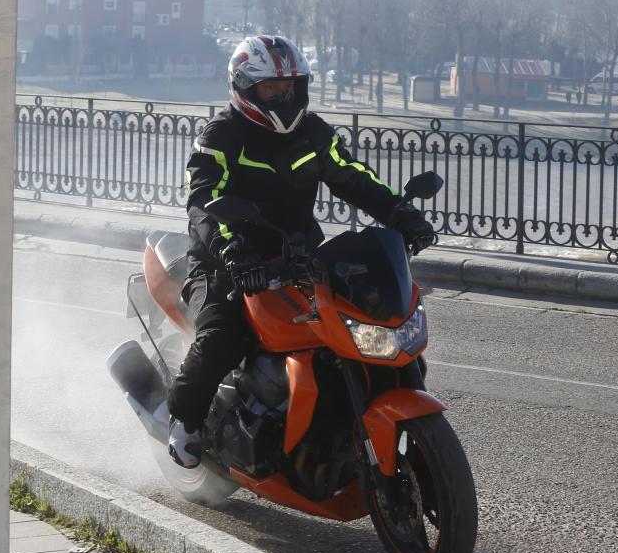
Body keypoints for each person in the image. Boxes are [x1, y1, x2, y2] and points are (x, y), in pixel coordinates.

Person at [167, 35, 436, 468]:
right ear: (246, 88)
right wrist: (231, 248)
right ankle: (185, 421)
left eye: (290, 86)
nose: (284, 95)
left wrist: (402, 215)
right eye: (273, 88)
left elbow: (352, 176)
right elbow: (202, 201)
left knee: (359, 322)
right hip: (226, 261)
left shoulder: (312, 132)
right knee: (220, 337)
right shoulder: (221, 135)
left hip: (298, 258)